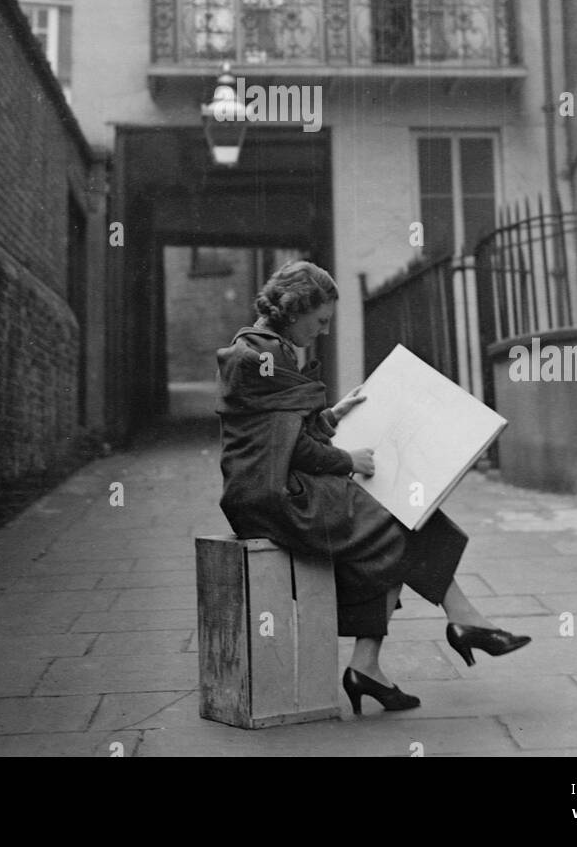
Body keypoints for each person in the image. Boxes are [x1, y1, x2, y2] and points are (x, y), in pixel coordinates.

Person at [216, 259, 530, 715]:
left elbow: (278, 436)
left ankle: (370, 667)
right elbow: (293, 451)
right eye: (321, 320)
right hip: (277, 500)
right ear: (296, 308)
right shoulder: (266, 356)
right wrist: (347, 459)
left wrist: (331, 416)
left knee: (389, 528)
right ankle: (463, 620)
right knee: (399, 517)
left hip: (266, 492)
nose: (323, 331)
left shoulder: (258, 348)